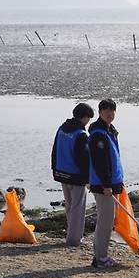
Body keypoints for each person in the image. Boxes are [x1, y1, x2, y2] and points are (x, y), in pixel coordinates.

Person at [88, 99, 124, 268]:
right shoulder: (98, 134)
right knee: (105, 221)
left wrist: (118, 183)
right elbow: (100, 161)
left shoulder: (110, 131)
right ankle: (100, 257)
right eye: (106, 110)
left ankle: (100, 256)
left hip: (111, 183)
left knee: (109, 220)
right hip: (103, 185)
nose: (110, 113)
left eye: (113, 110)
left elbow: (114, 159)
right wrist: (107, 184)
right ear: (100, 112)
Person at [51, 102, 94, 246]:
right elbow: (84, 159)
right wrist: (88, 178)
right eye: (88, 118)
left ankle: (71, 235)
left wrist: (55, 170)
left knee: (69, 206)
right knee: (78, 208)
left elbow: (55, 150)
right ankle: (74, 239)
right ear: (84, 117)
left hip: (62, 173)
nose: (88, 121)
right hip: (76, 176)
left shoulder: (62, 129)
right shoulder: (81, 135)